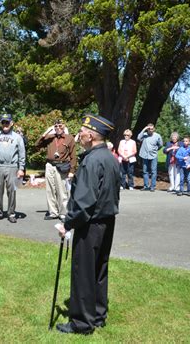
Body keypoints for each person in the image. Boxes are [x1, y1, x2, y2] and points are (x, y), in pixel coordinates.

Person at [55, 114, 120, 335]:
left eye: (82, 131)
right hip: (107, 221)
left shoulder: (91, 160)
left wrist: (68, 223)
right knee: (99, 269)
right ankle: (98, 315)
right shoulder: (109, 157)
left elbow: (84, 201)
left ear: (91, 135)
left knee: (83, 271)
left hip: (90, 224)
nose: (79, 134)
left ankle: (82, 323)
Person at [35, 119, 76, 221]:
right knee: (50, 190)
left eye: (60, 126)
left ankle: (63, 213)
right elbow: (37, 145)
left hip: (62, 166)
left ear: (64, 126)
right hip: (50, 165)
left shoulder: (69, 138)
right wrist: (46, 133)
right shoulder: (50, 138)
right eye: (56, 126)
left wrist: (72, 171)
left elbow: (73, 156)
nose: (58, 128)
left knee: (62, 190)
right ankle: (53, 212)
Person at [137, 123, 163, 191]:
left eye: (152, 129)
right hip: (144, 155)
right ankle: (146, 186)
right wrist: (144, 129)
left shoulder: (157, 136)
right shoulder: (144, 135)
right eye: (149, 129)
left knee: (153, 171)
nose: (150, 130)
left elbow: (160, 145)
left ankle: (152, 186)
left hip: (153, 155)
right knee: (145, 171)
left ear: (154, 129)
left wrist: (155, 149)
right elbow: (138, 138)